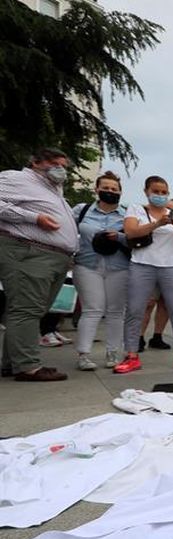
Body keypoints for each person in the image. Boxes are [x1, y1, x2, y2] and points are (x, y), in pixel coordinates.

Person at [0, 148, 78, 381]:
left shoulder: (53, 189)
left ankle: (13, 362)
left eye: (63, 166)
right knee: (27, 308)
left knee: (33, 310)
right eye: (54, 164)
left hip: (50, 255)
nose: (60, 170)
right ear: (35, 162)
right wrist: (33, 218)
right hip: (29, 252)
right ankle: (28, 367)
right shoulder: (16, 179)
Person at [114, 176, 173, 373]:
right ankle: (131, 355)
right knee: (135, 310)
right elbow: (131, 233)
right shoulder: (136, 209)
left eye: (164, 192)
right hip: (142, 264)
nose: (160, 195)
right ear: (147, 191)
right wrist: (157, 224)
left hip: (172, 265)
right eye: (155, 191)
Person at [71, 171, 129, 371]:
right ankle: (84, 354)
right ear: (96, 190)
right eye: (105, 188)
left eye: (114, 189)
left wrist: (119, 237)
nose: (110, 191)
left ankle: (113, 352)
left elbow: (137, 239)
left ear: (120, 192)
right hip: (87, 265)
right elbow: (67, 230)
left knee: (116, 312)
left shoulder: (128, 214)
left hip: (120, 266)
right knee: (92, 309)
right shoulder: (82, 210)